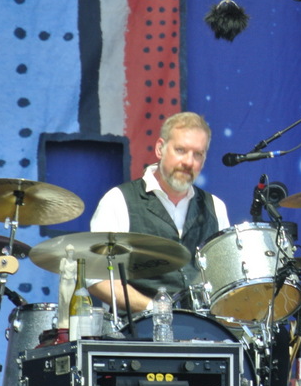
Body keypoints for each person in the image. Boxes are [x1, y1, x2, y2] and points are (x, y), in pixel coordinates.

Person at [88, 111, 230, 312]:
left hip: (201, 327)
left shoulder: (215, 206)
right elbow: (97, 278)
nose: (189, 162)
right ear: (159, 149)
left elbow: (226, 280)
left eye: (198, 154)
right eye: (180, 150)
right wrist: (154, 309)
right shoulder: (118, 201)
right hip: (139, 327)